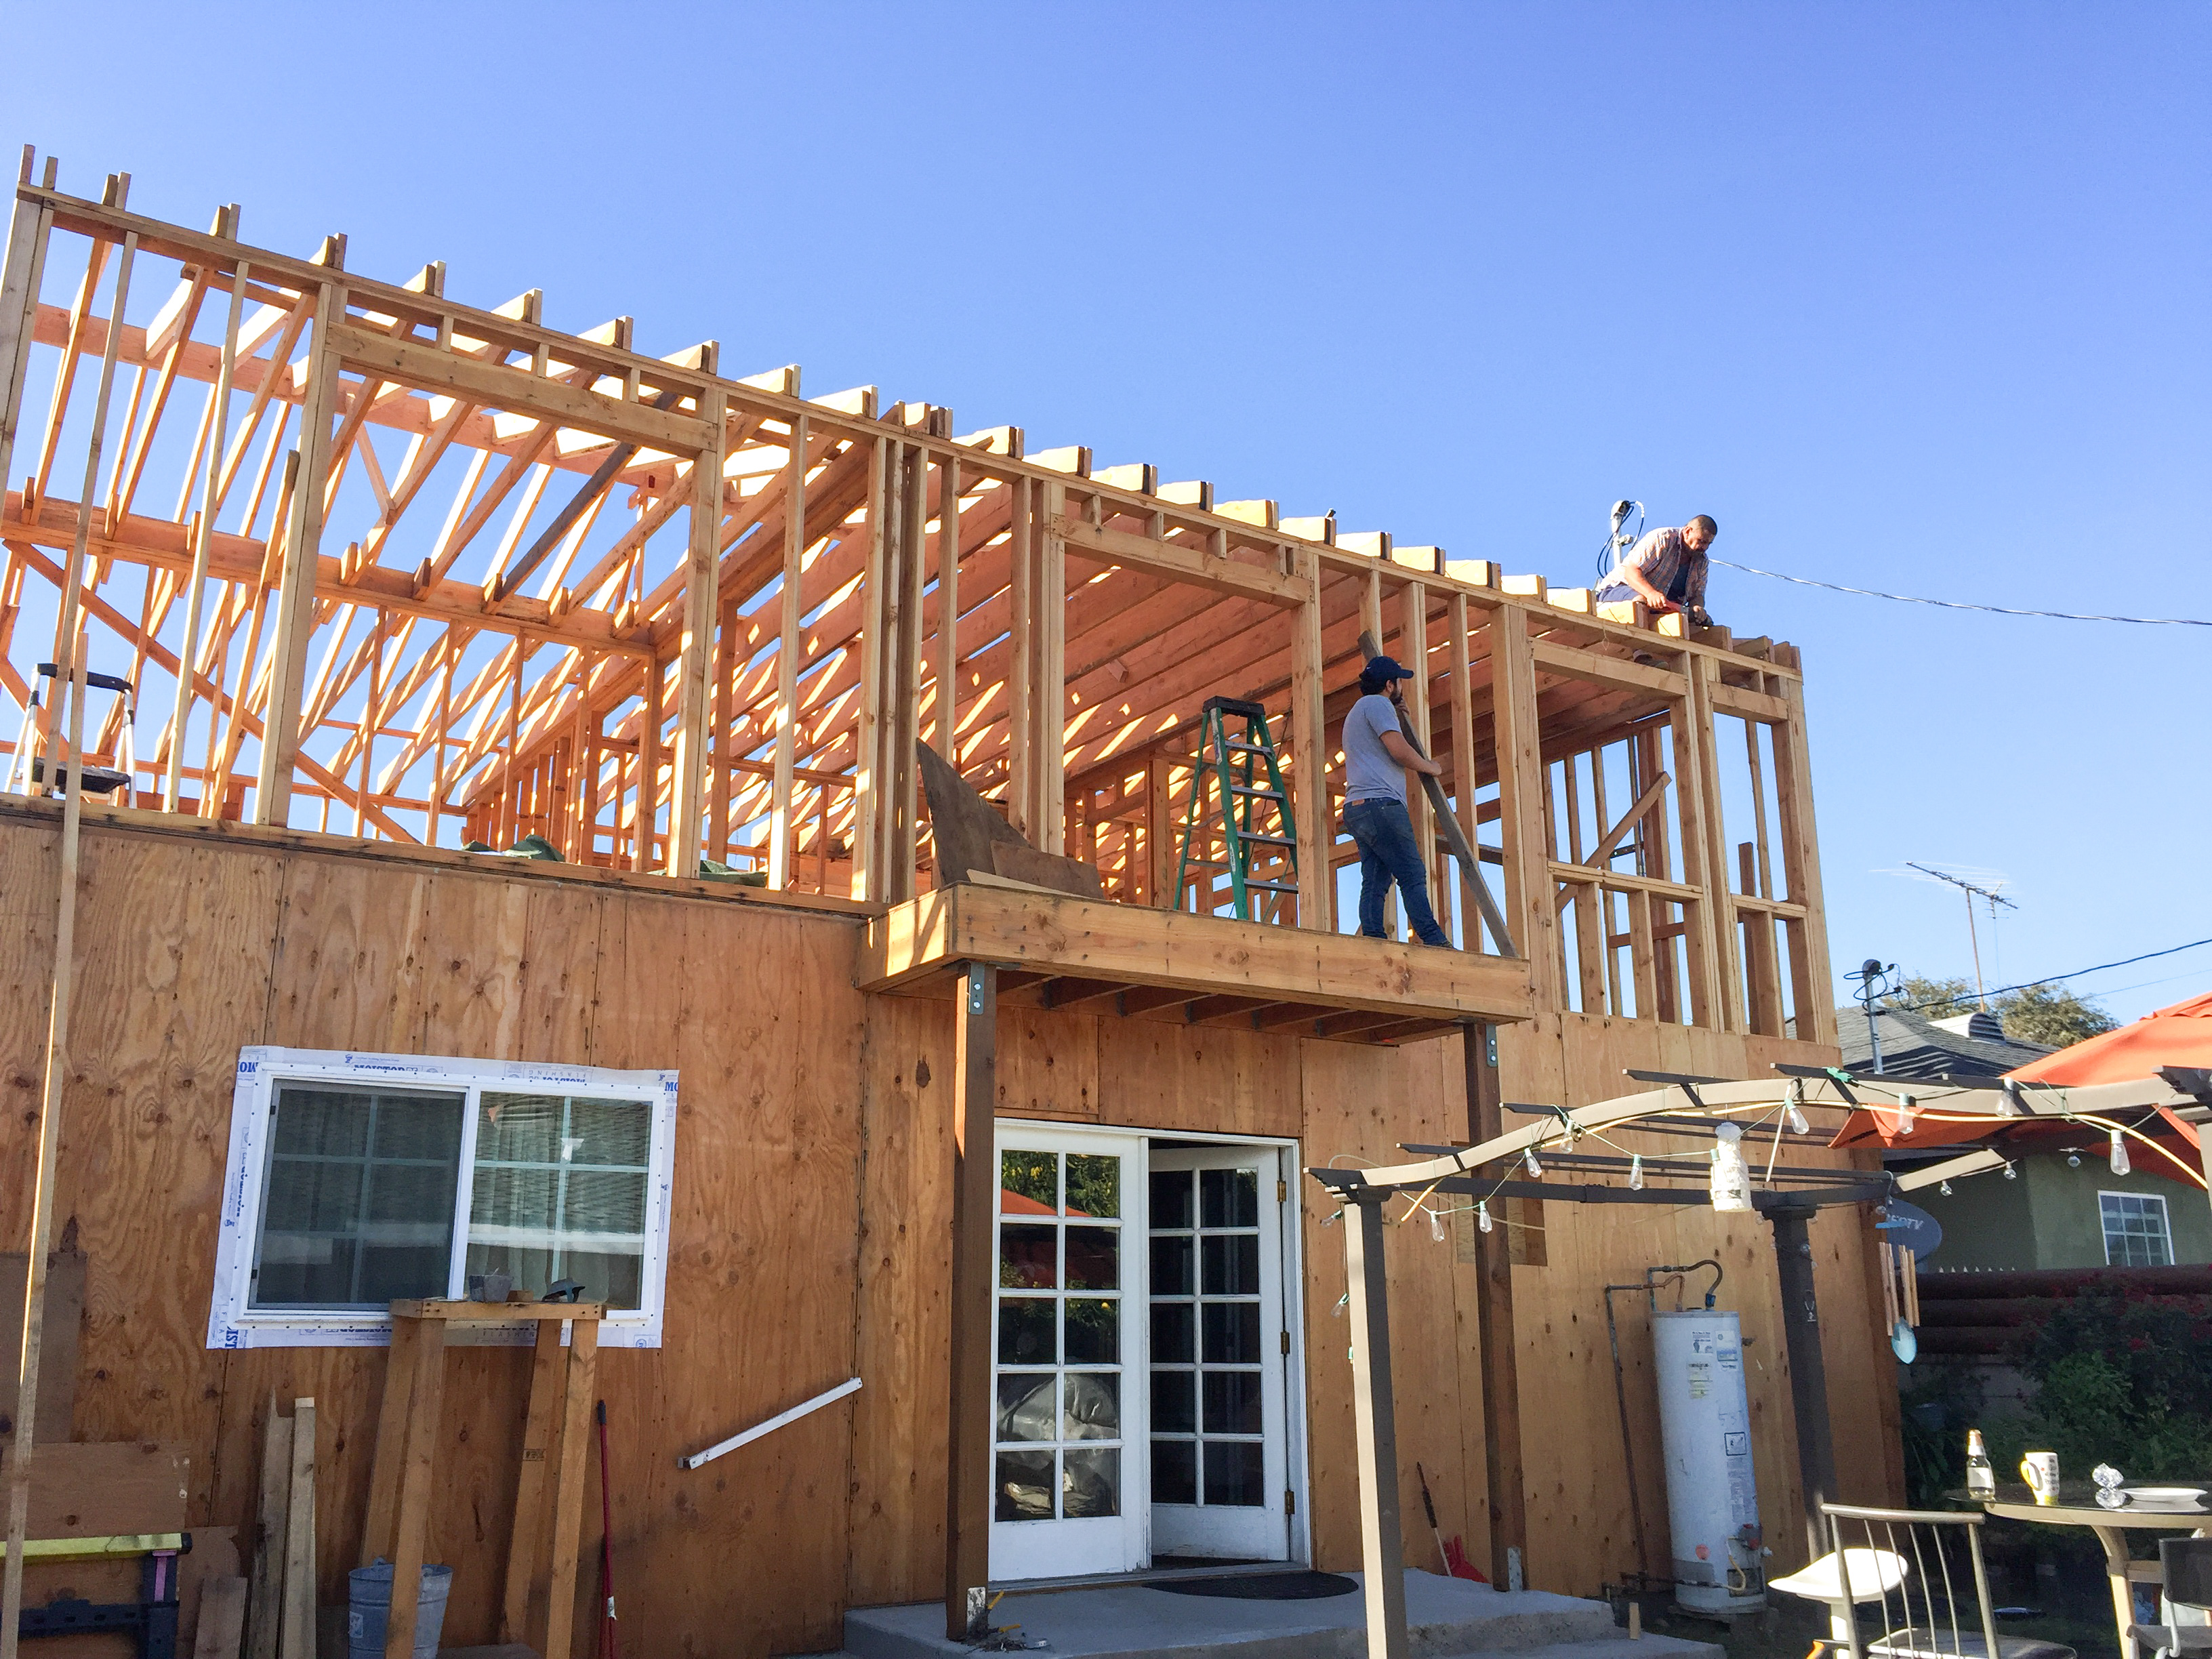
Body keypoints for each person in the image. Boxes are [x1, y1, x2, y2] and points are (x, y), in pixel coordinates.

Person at [1340, 655, 1450, 946]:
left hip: (1358, 808)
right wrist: (1430, 767)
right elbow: (1398, 750)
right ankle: (1433, 939)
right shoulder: (1377, 705)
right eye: (1399, 681)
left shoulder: (1359, 711)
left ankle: (1374, 938)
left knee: (1375, 880)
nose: (1401, 685)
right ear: (1389, 685)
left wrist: (1397, 714)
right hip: (1381, 805)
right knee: (1412, 874)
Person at [1596, 514, 1717, 626]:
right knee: (1640, 603)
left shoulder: (1701, 561)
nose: (1704, 547)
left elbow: (1697, 595)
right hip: (1617, 589)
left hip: (1659, 608)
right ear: (1687, 532)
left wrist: (1697, 609)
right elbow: (1632, 572)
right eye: (1701, 541)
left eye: (1709, 544)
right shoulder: (1663, 539)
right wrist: (1651, 594)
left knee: (1699, 625)